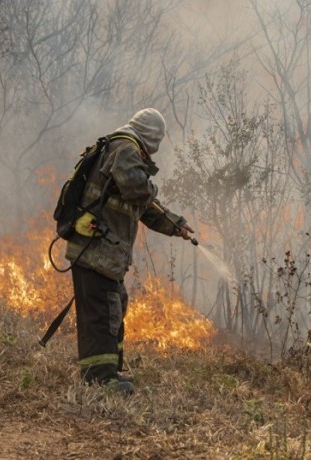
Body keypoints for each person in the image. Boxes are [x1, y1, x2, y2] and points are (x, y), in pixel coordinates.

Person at [64, 108, 194, 395]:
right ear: (152, 138)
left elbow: (142, 208)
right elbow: (138, 189)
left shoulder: (118, 147)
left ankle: (106, 373)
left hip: (98, 251)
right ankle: (100, 381)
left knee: (112, 307)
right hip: (98, 251)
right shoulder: (125, 148)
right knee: (103, 314)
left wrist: (177, 226)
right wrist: (152, 186)